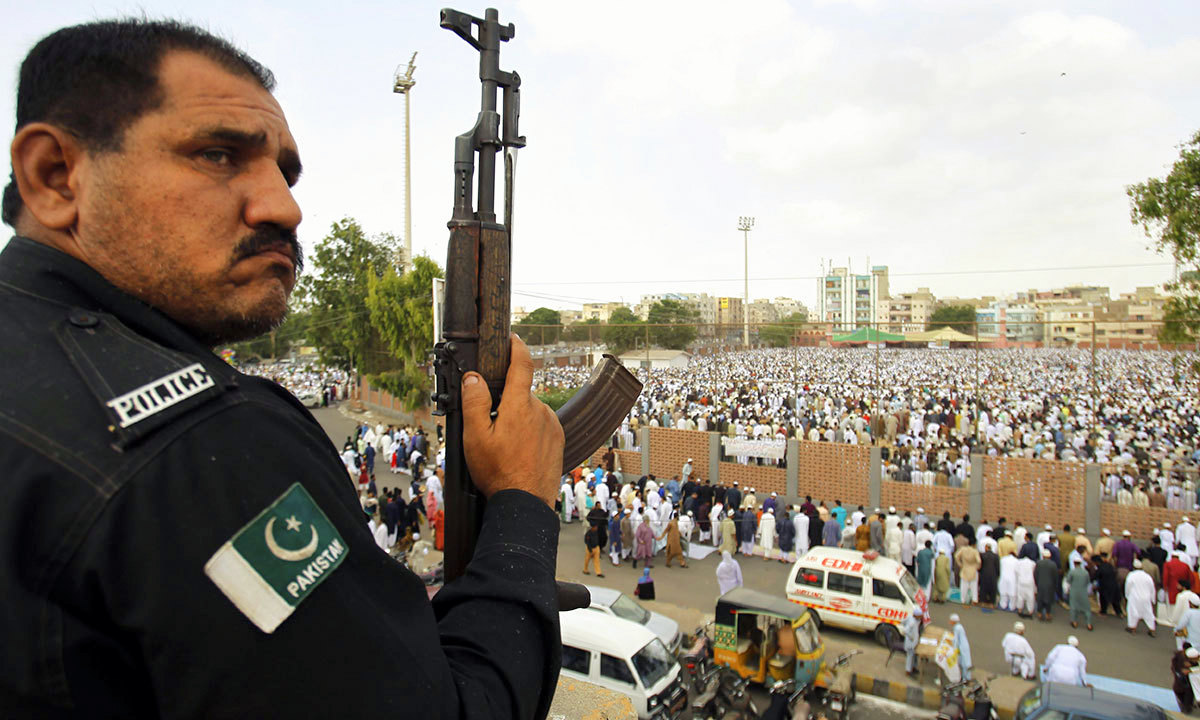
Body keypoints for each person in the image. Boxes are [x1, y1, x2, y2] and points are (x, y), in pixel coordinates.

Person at [0, 18, 570, 718]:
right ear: (56, 176)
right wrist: (522, 503)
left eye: (285, 172)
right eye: (217, 155)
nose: (285, 207)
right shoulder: (202, 441)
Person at [1126, 559, 1158, 637]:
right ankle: (1152, 629)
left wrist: (1127, 595)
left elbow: (1128, 586)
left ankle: (1132, 627)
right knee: (1148, 613)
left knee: (1132, 611)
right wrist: (1153, 598)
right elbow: (1152, 588)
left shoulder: (1131, 575)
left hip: (1134, 597)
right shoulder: (1147, 576)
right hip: (1146, 597)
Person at [1065, 559, 1093, 630]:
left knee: (1073, 607)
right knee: (1087, 608)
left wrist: (1067, 590)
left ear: (1074, 563)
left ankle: (1074, 622)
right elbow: (1088, 582)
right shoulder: (1085, 572)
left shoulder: (1072, 571)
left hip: (1074, 591)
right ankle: (1089, 624)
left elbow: (1068, 581)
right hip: (1083, 592)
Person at [1172, 647, 1200, 714]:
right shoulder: (1181, 659)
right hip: (1184, 680)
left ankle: (1188, 706)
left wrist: (1190, 670)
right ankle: (1187, 706)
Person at [1035, 549, 1059, 621]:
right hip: (1050, 585)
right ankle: (1048, 614)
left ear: (1043, 556)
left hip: (1040, 583)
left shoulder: (1039, 563)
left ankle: (1039, 613)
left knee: (1040, 599)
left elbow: (1035, 574)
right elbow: (1055, 576)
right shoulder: (1053, 564)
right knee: (1048, 599)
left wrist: (1037, 582)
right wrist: (1055, 585)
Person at [956, 542, 982, 606]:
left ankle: (963, 600)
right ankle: (974, 600)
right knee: (974, 587)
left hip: (965, 568)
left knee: (963, 586)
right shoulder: (975, 551)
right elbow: (979, 561)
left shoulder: (963, 549)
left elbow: (956, 556)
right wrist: (977, 567)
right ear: (974, 544)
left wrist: (960, 564)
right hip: (973, 570)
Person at [900, 607, 922, 677]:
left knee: (914, 655)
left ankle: (913, 667)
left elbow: (902, 621)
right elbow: (905, 631)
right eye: (920, 616)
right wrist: (911, 637)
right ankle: (908, 671)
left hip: (914, 641)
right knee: (910, 656)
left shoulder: (911, 617)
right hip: (911, 642)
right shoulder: (912, 622)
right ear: (916, 615)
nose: (921, 617)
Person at [949, 614, 972, 681]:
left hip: (962, 647)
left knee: (965, 663)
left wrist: (954, 649)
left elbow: (956, 640)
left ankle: (966, 678)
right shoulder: (959, 626)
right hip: (963, 645)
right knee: (964, 662)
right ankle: (965, 677)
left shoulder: (957, 628)